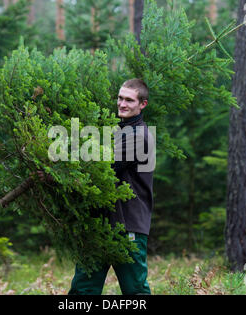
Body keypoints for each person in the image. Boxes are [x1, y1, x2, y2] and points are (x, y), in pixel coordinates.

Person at [68, 78, 155, 295]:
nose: (122, 104)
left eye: (129, 100)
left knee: (135, 291)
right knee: (82, 289)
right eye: (120, 98)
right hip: (100, 223)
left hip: (128, 226)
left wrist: (55, 173)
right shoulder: (117, 130)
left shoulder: (140, 136)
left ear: (142, 104)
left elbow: (99, 166)